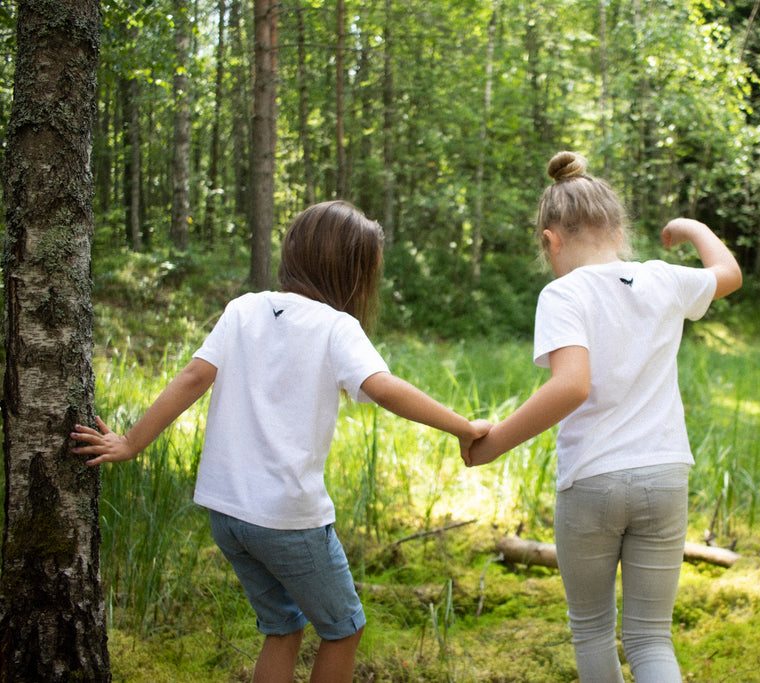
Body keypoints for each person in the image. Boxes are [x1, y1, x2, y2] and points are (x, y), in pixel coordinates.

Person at [72, 200, 491, 683]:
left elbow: (192, 377)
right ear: (351, 272)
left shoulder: (242, 309)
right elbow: (384, 388)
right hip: (288, 519)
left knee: (282, 626)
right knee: (343, 629)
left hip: (226, 513)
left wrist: (130, 443)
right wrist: (463, 426)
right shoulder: (337, 327)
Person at [466, 151, 742, 683]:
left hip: (592, 481)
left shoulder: (563, 293)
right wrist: (691, 227)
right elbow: (727, 273)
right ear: (620, 231)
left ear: (550, 240)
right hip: (664, 475)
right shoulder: (663, 279)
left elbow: (571, 385)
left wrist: (493, 442)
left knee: (593, 631)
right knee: (651, 639)